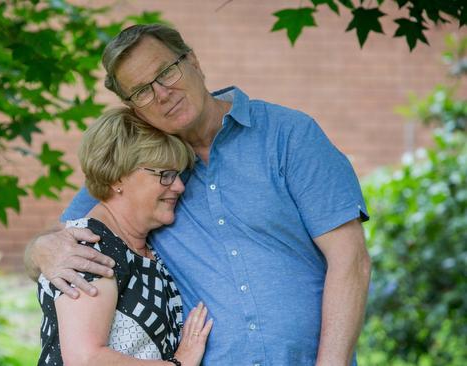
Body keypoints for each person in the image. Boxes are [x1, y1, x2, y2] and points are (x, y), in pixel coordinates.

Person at [25, 24, 371, 365]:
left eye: (166, 72)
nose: (162, 93)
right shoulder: (135, 169)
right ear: (133, 107)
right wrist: (41, 250)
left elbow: (349, 258)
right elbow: (74, 235)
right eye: (142, 91)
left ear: (193, 61)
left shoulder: (288, 135)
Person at [36, 107, 213, 366]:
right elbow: (85, 359)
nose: (179, 186)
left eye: (178, 174)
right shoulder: (92, 247)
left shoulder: (135, 246)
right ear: (119, 176)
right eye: (166, 175)